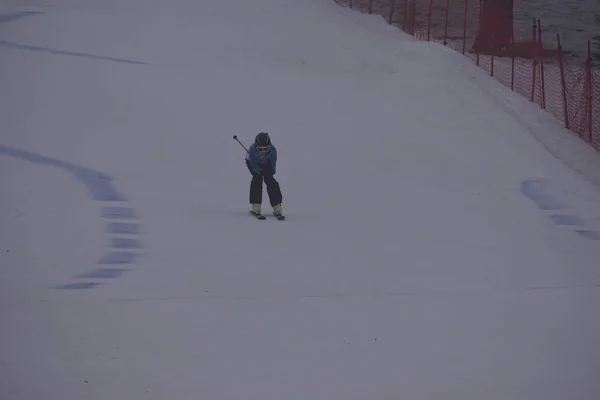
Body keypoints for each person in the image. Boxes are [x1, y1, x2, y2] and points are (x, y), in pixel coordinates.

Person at [245, 132, 283, 217]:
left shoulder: (273, 151)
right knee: (256, 180)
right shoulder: (252, 150)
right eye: (260, 149)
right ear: (256, 147)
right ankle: (256, 205)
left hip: (267, 166)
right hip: (254, 166)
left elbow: (273, 164)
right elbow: (252, 164)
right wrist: (258, 170)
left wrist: (268, 171)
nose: (263, 151)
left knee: (271, 181)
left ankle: (277, 206)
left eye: (266, 149)